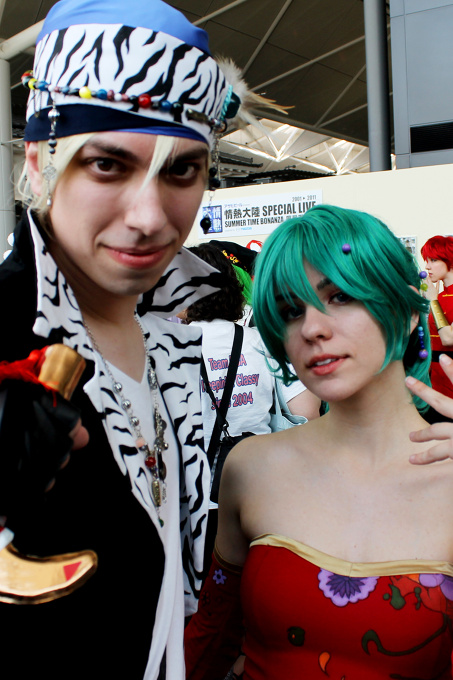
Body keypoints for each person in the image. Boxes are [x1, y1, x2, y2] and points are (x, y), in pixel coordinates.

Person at [0, 1, 283, 678]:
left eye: (181, 170)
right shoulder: (10, 331)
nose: (151, 217)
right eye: (108, 165)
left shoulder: (171, 331)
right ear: (39, 160)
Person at [184, 205, 453, 680]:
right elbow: (209, 640)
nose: (312, 328)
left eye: (341, 296)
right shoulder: (252, 468)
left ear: (408, 312)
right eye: (290, 310)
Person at [184, 243, 320, 577]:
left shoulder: (165, 348)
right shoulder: (263, 343)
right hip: (259, 491)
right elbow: (307, 415)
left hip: (191, 500)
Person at [421, 235, 453, 398]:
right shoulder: (438, 297)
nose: (427, 266)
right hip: (435, 383)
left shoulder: (435, 298)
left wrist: (433, 300)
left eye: (433, 260)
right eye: (427, 261)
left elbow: (449, 339)